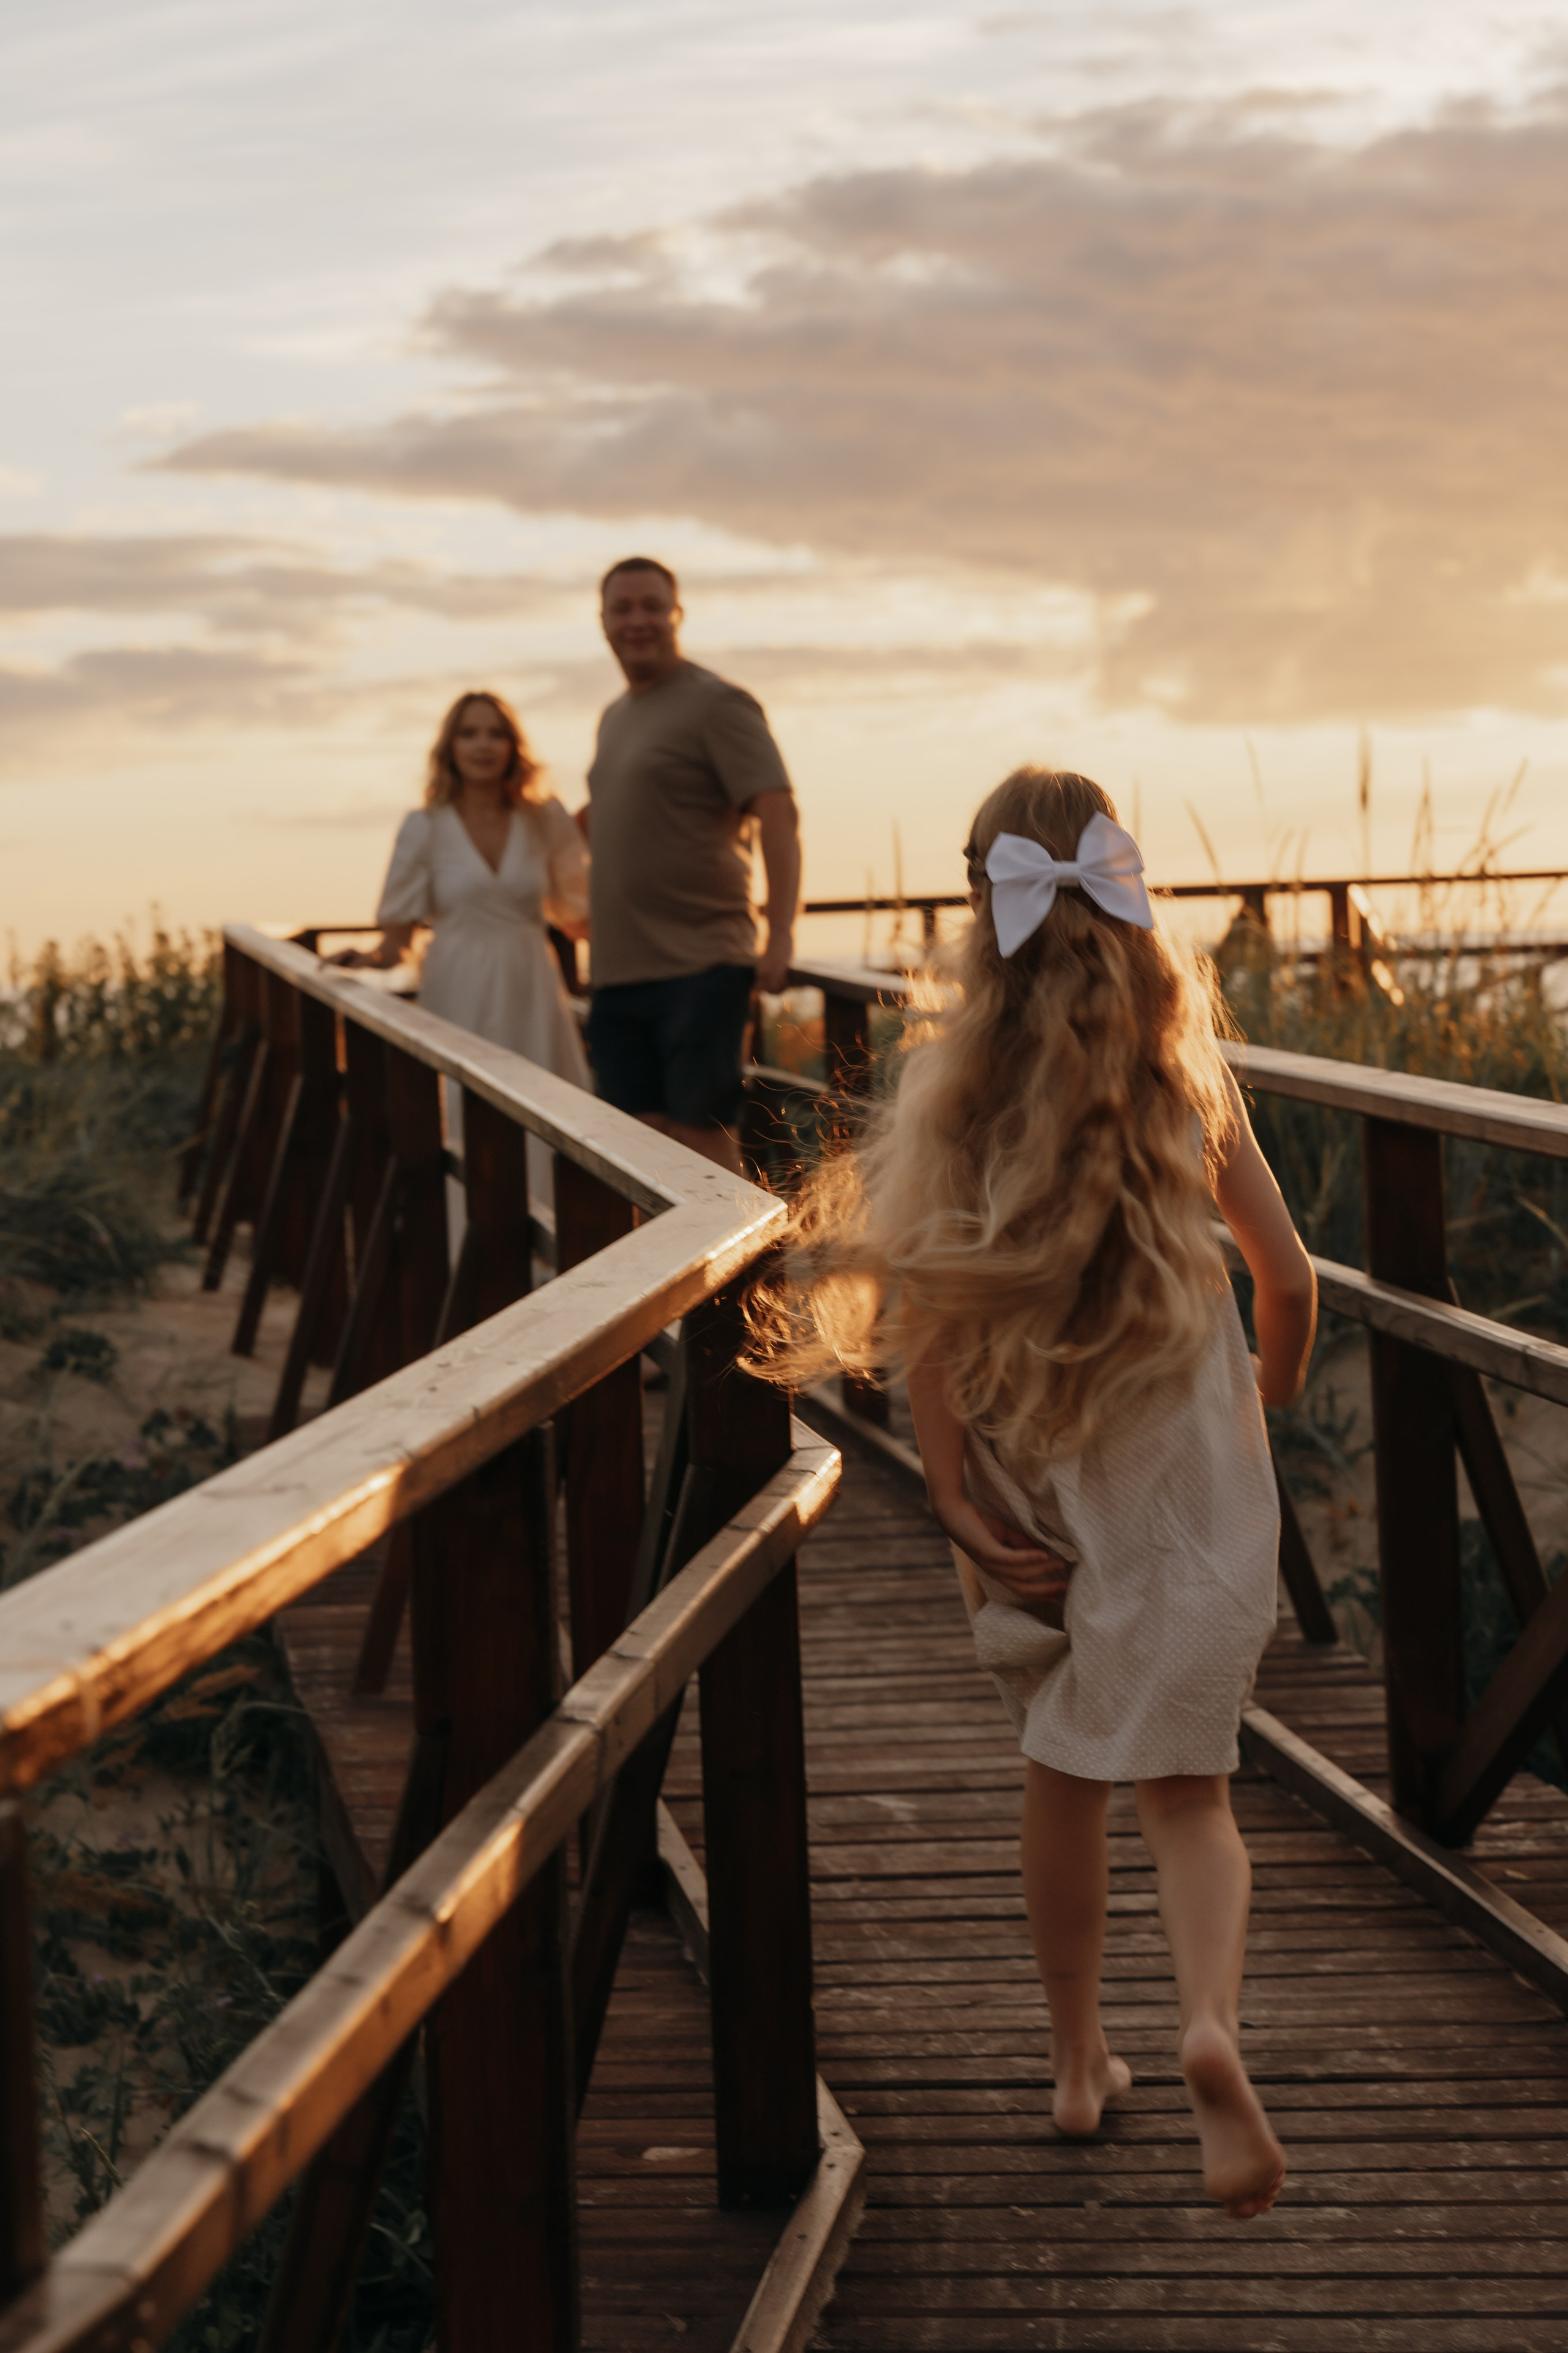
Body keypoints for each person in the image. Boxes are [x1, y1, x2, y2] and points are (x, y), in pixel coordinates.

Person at [751, 767, 1316, 2219]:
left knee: (1061, 1762)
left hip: (1032, 1463)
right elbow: (1290, 1280)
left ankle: (1075, 2060)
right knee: (1189, 1790)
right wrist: (1266, 1401)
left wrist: (943, 1487)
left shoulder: (958, 1083)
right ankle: (1204, 2019)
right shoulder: (1186, 1072)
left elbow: (927, 1309)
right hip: (1185, 1469)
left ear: (976, 899)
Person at [582, 556, 801, 1173]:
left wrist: (780, 932)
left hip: (702, 969)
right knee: (636, 1160)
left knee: (703, 1155)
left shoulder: (718, 704)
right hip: (618, 976)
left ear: (677, 614)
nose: (637, 620)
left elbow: (778, 815)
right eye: (622, 608)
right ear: (602, 621)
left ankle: (741, 1276)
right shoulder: (614, 717)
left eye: (652, 605)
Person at [337, 690, 590, 1092]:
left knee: (547, 1102)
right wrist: (362, 959)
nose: (483, 745)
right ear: (450, 747)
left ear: (513, 747)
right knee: (463, 1107)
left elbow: (580, 915)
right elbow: (397, 943)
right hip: (457, 987)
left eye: (495, 734)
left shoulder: (546, 819)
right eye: (469, 733)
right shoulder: (425, 826)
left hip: (531, 988)